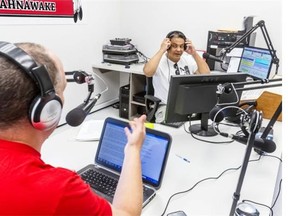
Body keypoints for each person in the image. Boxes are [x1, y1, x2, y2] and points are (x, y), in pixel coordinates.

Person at [0, 41, 146, 216]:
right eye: (62, 89)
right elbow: (127, 213)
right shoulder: (57, 189)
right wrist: (133, 148)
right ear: (47, 109)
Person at [143, 30, 211, 122]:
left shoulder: (188, 59)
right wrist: (161, 50)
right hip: (166, 106)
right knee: (170, 127)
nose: (178, 50)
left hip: (187, 106)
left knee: (202, 123)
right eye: (174, 46)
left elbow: (206, 74)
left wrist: (194, 53)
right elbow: (147, 72)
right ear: (168, 46)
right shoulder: (159, 61)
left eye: (181, 46)